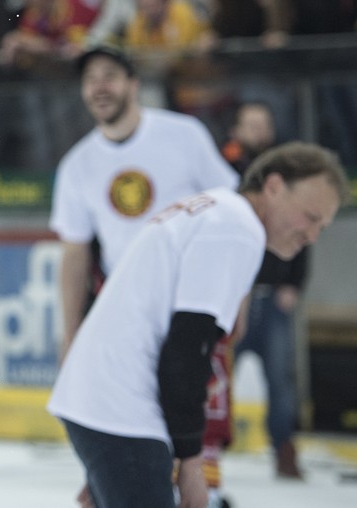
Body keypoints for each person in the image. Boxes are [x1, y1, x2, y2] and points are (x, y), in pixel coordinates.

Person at [48, 141, 350, 508]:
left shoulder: (214, 210)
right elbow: (187, 351)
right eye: (310, 217)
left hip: (103, 403)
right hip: (121, 410)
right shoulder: (236, 229)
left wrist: (113, 466)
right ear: (273, 186)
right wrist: (191, 461)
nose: (313, 236)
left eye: (322, 226)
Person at [50, 45, 238, 361]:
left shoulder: (185, 135)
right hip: (127, 310)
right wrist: (70, 335)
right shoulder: (76, 165)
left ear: (133, 84)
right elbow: (74, 254)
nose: (99, 87)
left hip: (192, 302)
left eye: (109, 76)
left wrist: (237, 296)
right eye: (90, 80)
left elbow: (232, 211)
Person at [224, 101, 308, 479]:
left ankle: (284, 448)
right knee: (216, 375)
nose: (259, 131)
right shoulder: (222, 171)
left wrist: (293, 283)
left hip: (273, 294)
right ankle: (205, 449)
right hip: (232, 296)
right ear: (237, 130)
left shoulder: (288, 176)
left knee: (280, 377)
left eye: (264, 124)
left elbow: (304, 231)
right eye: (252, 124)